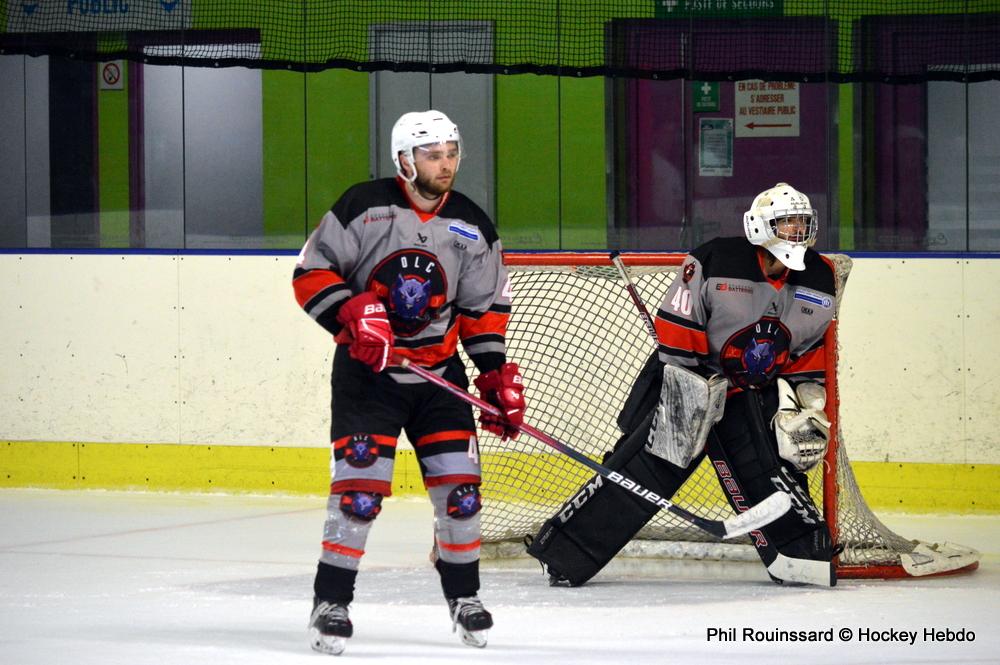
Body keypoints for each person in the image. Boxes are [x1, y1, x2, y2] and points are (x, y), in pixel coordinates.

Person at [527, 182, 841, 588]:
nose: (797, 231)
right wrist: (694, 391)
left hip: (751, 396)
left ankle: (802, 555)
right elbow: (678, 327)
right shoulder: (716, 258)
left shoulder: (821, 276)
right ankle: (564, 554)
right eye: (787, 222)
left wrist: (804, 402)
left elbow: (810, 350)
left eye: (803, 222)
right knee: (642, 473)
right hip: (689, 382)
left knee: (772, 473)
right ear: (762, 226)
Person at [292, 110, 525, 655]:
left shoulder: (471, 225)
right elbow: (310, 273)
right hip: (368, 378)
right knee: (358, 495)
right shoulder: (363, 207)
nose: (445, 164)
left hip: (438, 381)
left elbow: (482, 309)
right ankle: (331, 603)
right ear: (405, 159)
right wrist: (352, 311)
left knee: (461, 494)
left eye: (451, 153)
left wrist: (492, 378)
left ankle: (464, 598)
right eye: (432, 155)